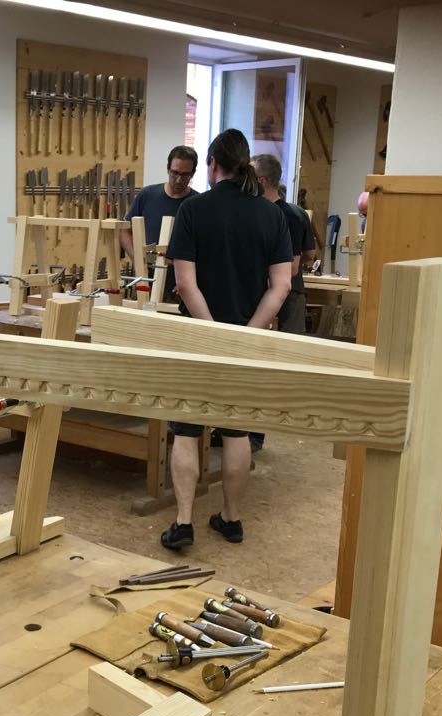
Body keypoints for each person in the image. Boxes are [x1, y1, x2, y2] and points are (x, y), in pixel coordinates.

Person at [159, 129, 292, 551]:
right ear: (245, 164)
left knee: (186, 429)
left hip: (197, 337)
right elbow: (281, 286)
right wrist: (244, 335)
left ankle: (183, 522)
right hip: (243, 342)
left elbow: (185, 284)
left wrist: (211, 332)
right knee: (236, 432)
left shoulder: (193, 209)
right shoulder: (271, 214)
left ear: (213, 164)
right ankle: (231, 518)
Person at [119, 146, 198, 295]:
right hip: (146, 280)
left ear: (193, 174)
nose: (179, 180)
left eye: (185, 175)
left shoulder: (197, 204)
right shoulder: (147, 195)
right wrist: (138, 259)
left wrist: (189, 279)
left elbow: (205, 247)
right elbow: (124, 231)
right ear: (168, 169)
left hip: (180, 286)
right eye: (175, 173)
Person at [253, 154, 317, 335]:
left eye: (249, 177)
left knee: (287, 345)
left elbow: (292, 267)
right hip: (273, 291)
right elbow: (309, 254)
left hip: (288, 297)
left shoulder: (287, 215)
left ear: (262, 181)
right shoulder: (291, 212)